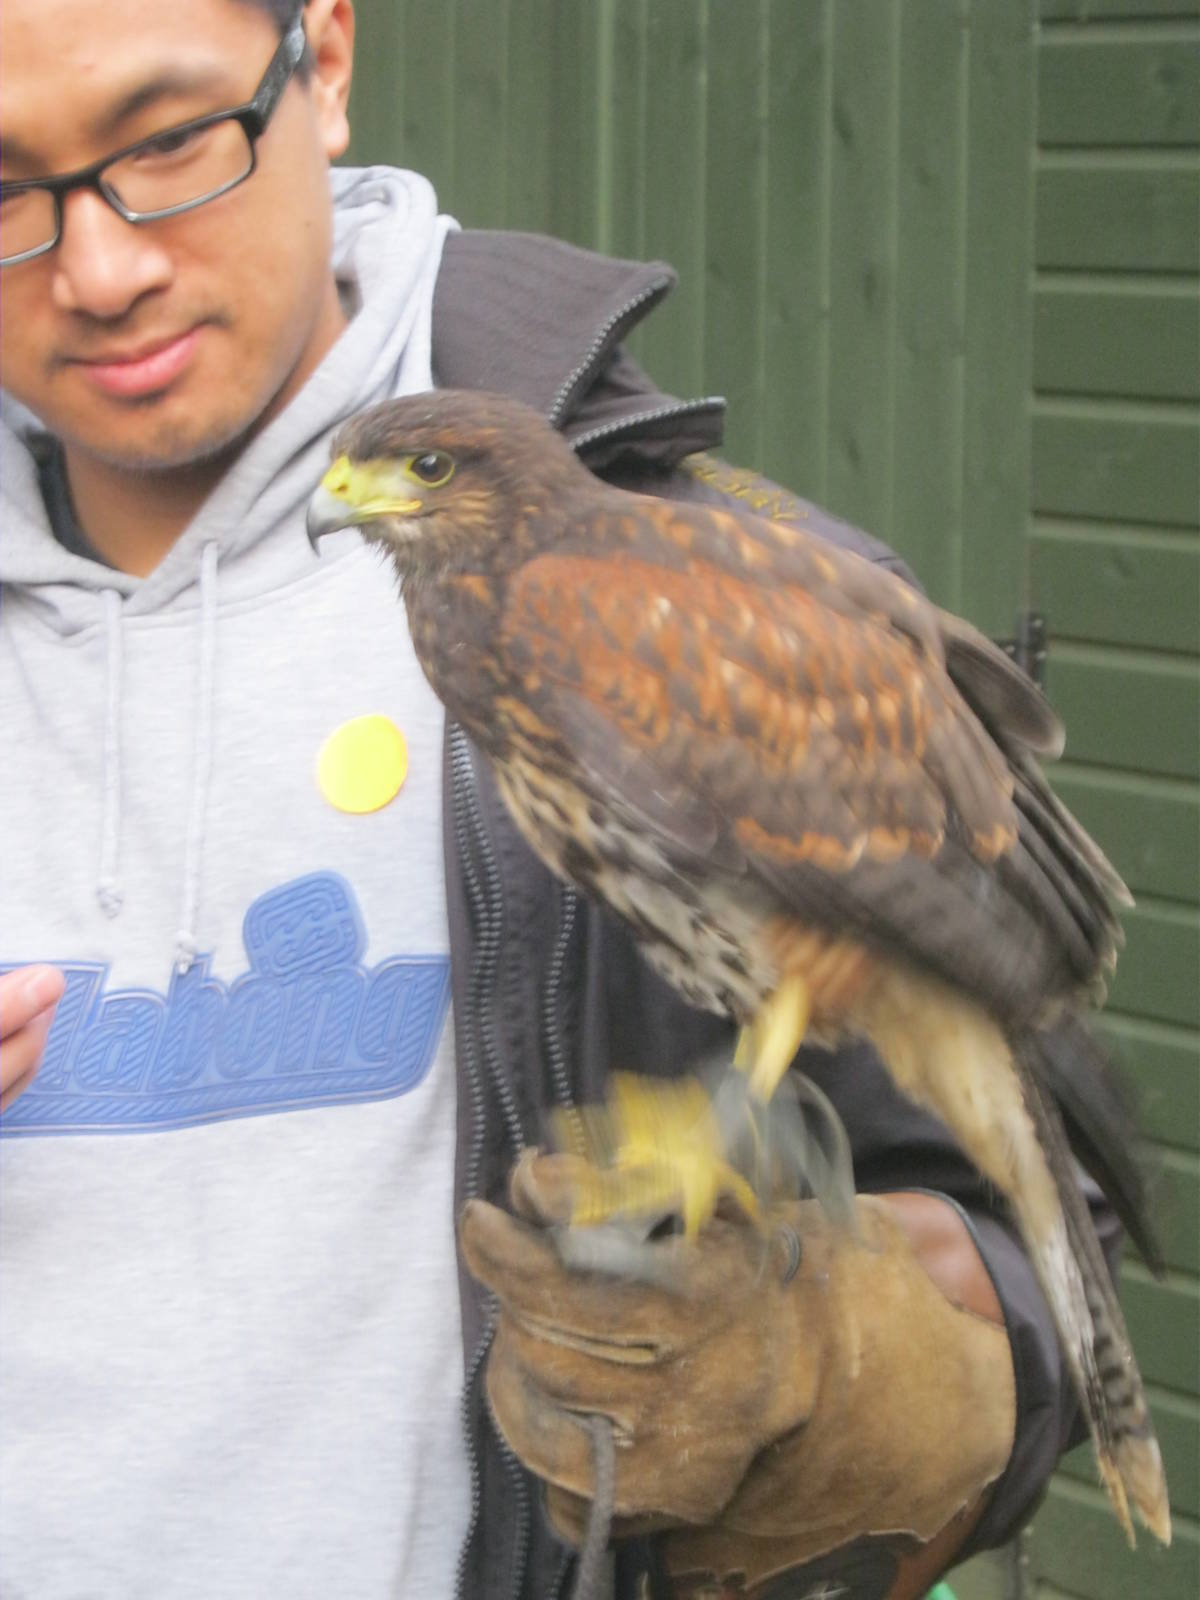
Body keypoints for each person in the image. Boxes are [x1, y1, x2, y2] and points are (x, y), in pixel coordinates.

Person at [0, 2, 1120, 1597]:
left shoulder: (711, 598)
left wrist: (859, 1377)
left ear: (322, 61)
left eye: (170, 140)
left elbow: (1022, 1262)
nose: (96, 268)